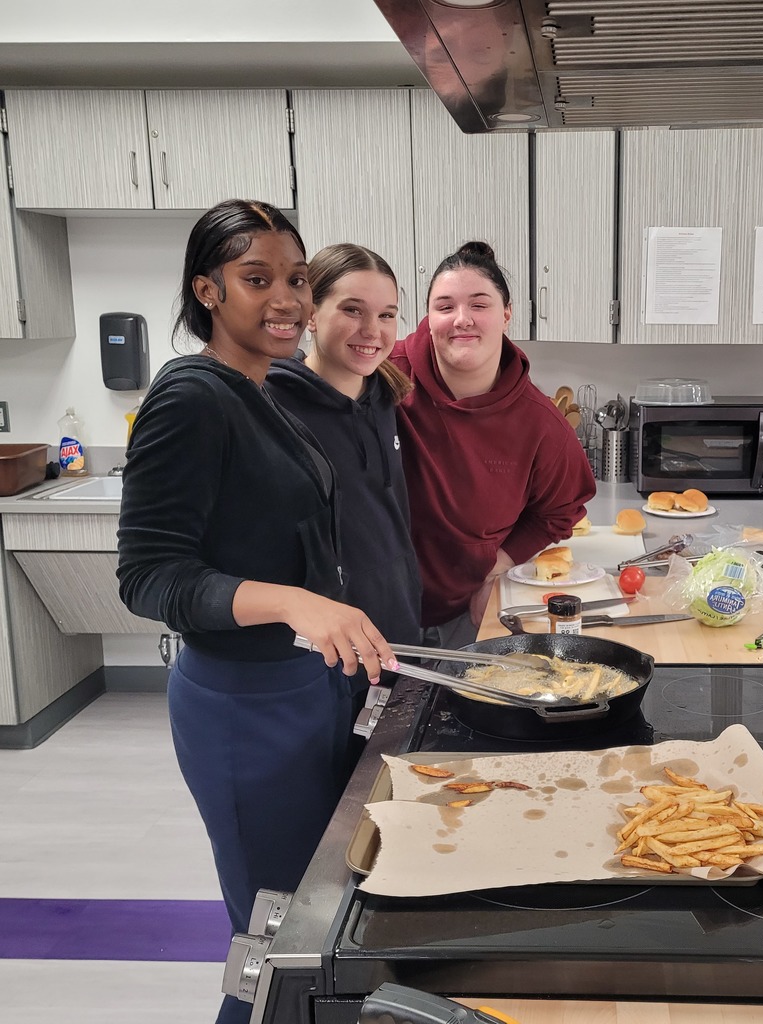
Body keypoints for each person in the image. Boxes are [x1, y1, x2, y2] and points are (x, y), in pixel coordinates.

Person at [116, 200, 394, 1024]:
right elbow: (148, 576)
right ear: (207, 290)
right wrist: (297, 602)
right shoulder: (192, 398)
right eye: (256, 278)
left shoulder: (263, 391)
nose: (286, 299)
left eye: (297, 279)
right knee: (278, 942)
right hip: (243, 711)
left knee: (321, 923)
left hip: (308, 692)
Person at [391, 241, 596, 647]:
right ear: (428, 317)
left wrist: (495, 569)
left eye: (479, 305)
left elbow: (558, 512)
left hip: (462, 611)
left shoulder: (540, 424)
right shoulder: (386, 377)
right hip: (367, 610)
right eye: (445, 306)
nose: (461, 319)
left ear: (506, 315)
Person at [264, 243, 422, 724]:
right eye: (352, 310)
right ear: (310, 313)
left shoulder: (385, 395)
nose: (372, 331)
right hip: (322, 656)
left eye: (387, 314)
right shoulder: (270, 404)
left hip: (396, 634)